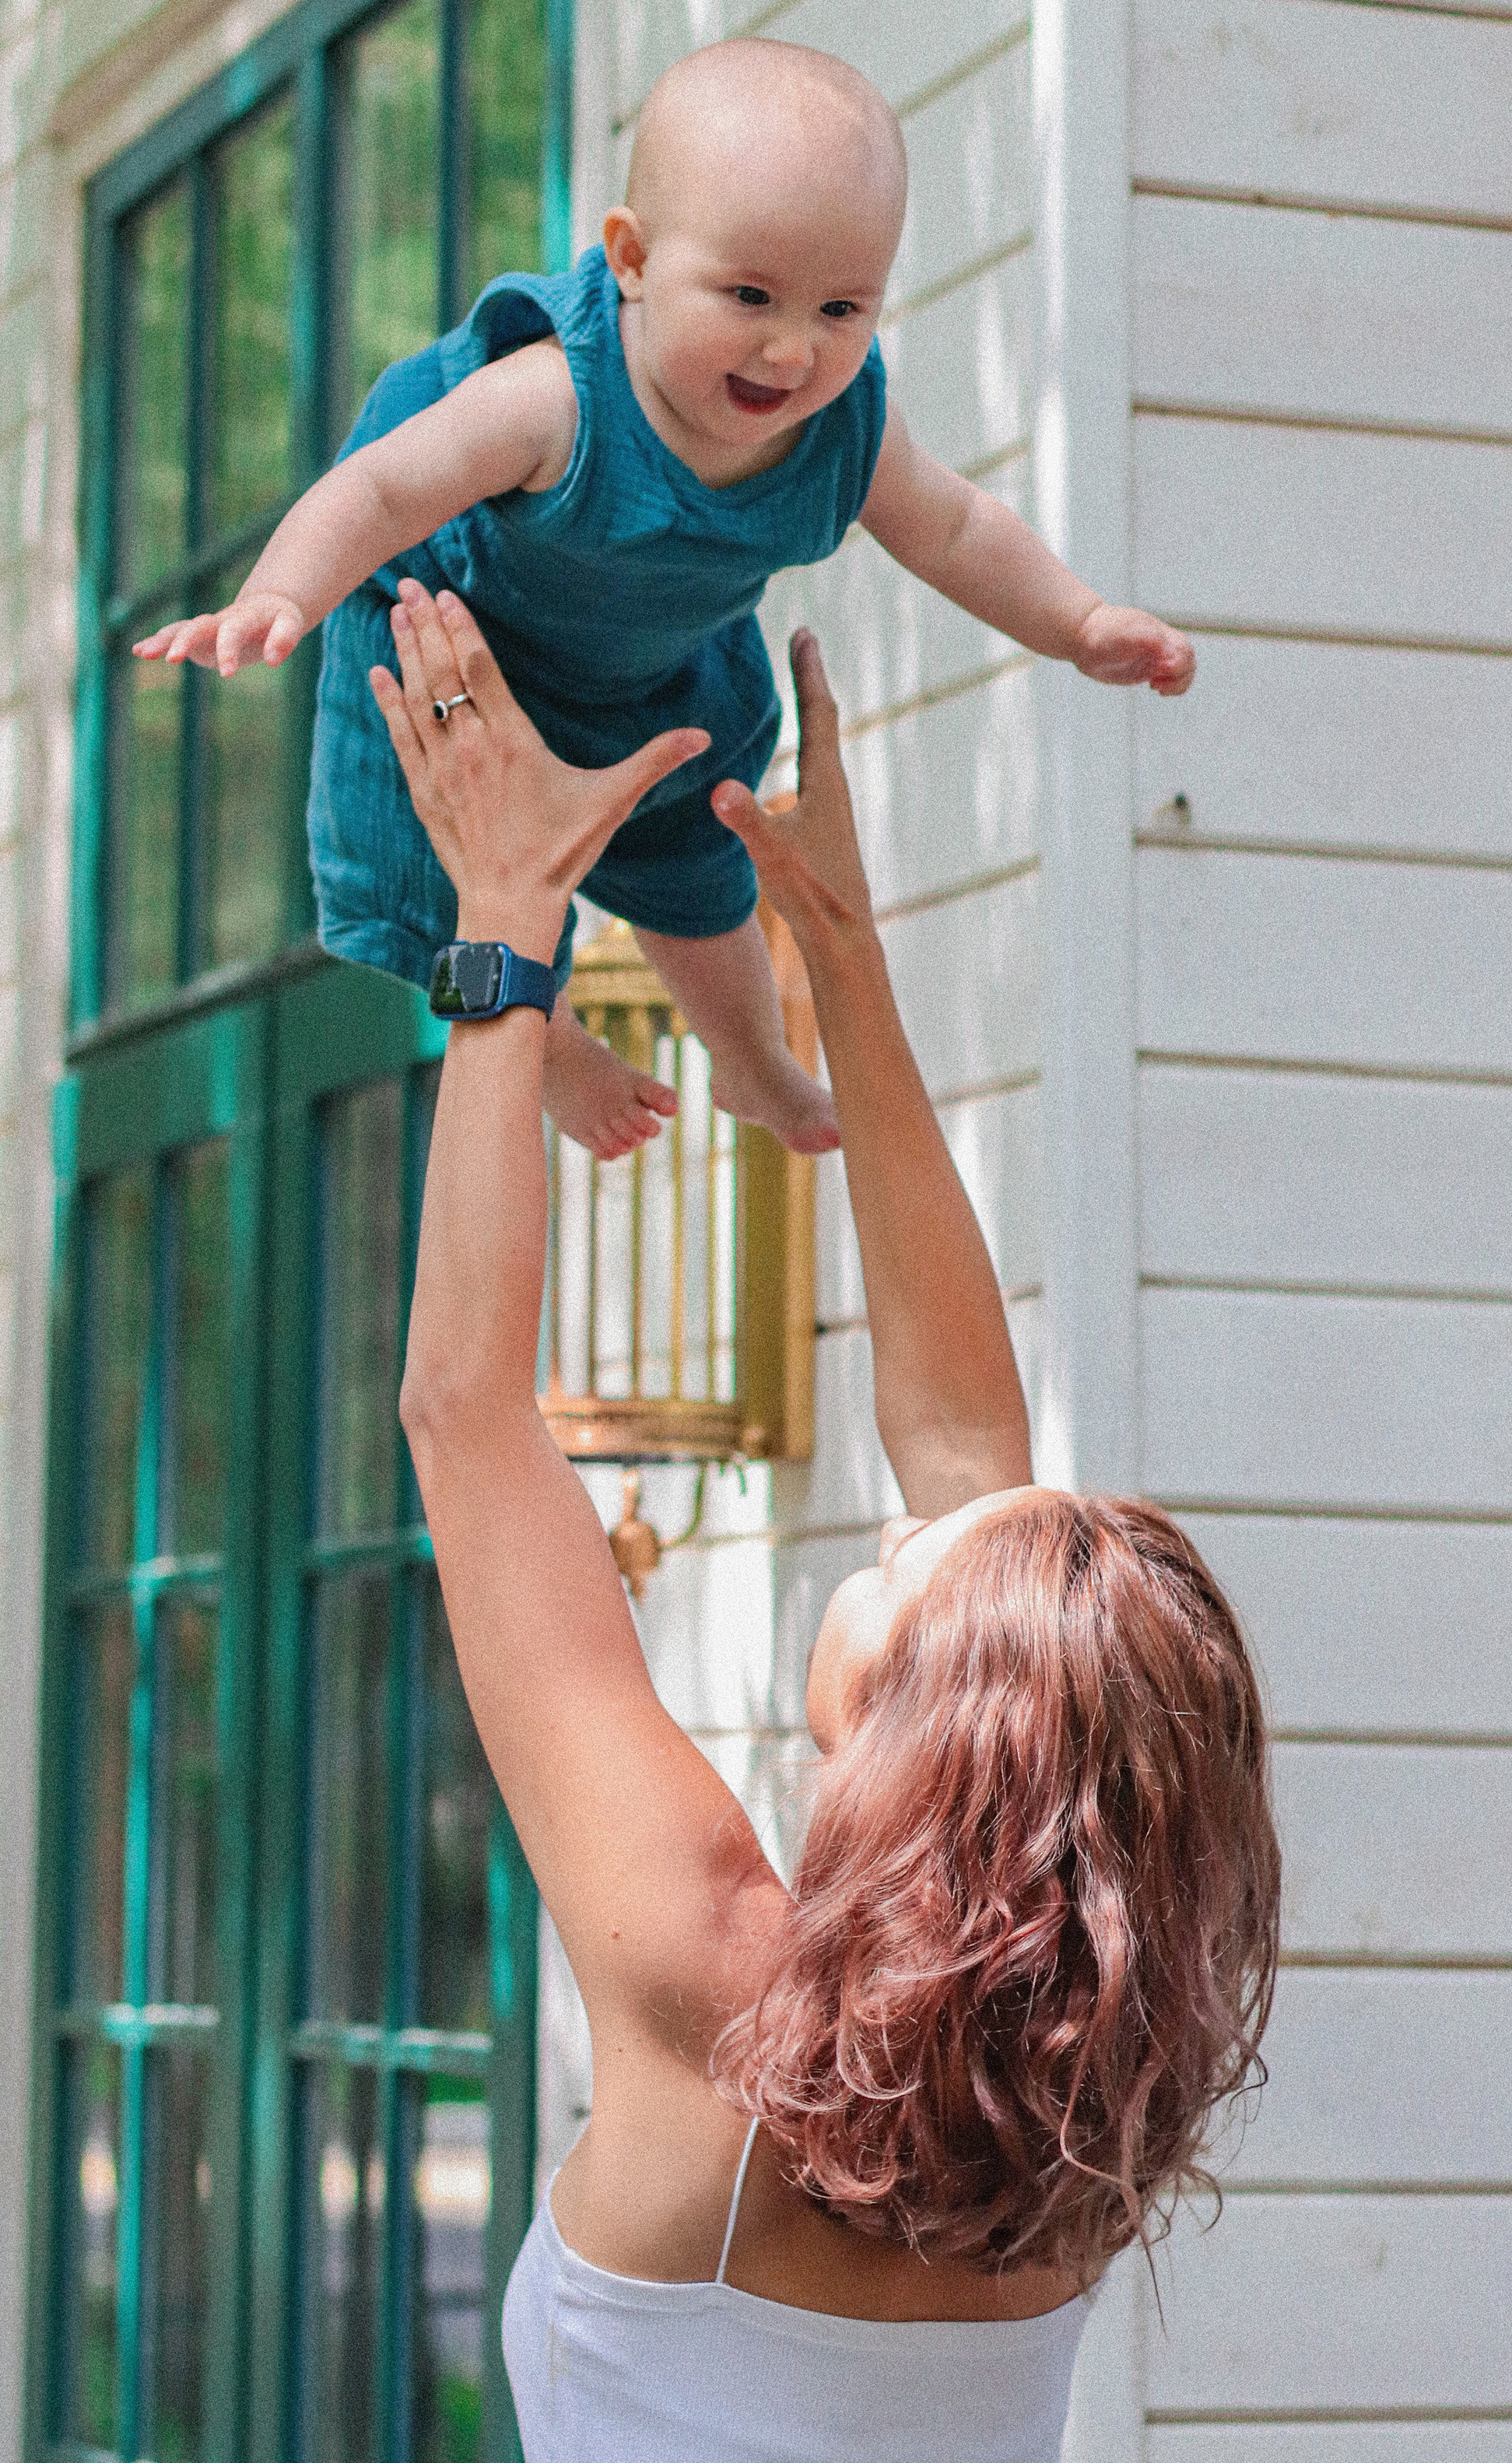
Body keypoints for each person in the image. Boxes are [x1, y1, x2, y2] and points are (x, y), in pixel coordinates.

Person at [374, 577, 1281, 2463]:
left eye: (896, 1565)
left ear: (935, 1723)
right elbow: (968, 1444)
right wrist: (839, 957)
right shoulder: (1079, 2100)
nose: (900, 1523)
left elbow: (467, 1420)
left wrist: (503, 935)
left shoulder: (722, 1983)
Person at [136, 37, 1196, 1165]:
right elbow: (387, 480)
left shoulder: (842, 426)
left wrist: (1077, 624)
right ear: (632, 260)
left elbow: (954, 529)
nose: (793, 348)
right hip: (449, 631)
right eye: (750, 295)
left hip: (649, 667)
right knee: (430, 869)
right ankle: (545, 1048)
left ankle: (748, 1062)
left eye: (843, 308)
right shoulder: (555, 397)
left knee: (703, 865)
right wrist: (281, 592)